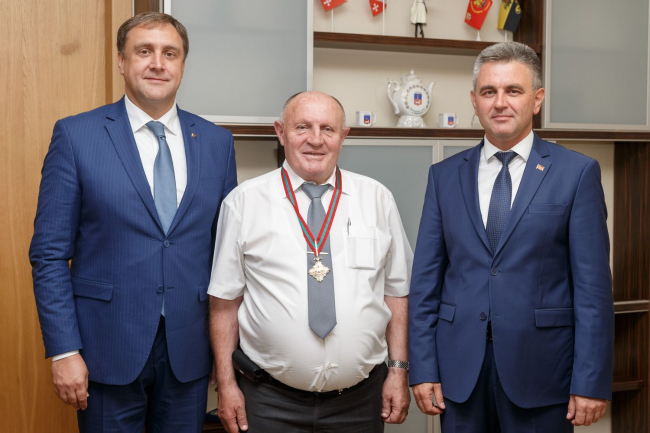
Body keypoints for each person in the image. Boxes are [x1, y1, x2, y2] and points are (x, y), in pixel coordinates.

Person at [29, 12, 237, 432]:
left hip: (189, 350)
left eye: (170, 54)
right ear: (122, 61)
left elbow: (227, 255)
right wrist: (64, 350)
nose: (158, 63)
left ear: (182, 65)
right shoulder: (77, 136)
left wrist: (226, 355)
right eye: (144, 51)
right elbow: (49, 254)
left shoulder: (217, 142)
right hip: (105, 349)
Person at [408, 42, 614, 432]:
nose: (500, 102)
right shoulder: (444, 176)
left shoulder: (576, 174)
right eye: (489, 92)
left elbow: (593, 292)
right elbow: (425, 284)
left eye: (513, 90)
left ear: (537, 99)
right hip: (459, 373)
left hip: (543, 372)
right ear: (474, 101)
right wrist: (423, 368)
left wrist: (590, 381)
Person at [208, 91, 412, 433]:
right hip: (269, 402)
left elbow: (396, 293)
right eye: (302, 127)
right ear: (280, 131)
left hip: (360, 402)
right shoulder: (243, 203)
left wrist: (399, 371)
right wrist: (227, 385)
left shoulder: (377, 199)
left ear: (343, 136)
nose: (315, 140)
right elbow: (224, 304)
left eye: (327, 129)